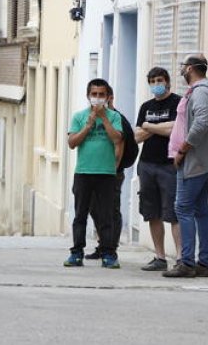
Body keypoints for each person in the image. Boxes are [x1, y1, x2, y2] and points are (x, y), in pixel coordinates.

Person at [163, 55, 208, 279]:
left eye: (183, 67)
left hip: (194, 161)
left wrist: (183, 149)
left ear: (190, 68)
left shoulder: (200, 92)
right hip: (195, 160)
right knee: (200, 209)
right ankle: (205, 263)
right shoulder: (199, 91)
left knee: (183, 208)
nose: (181, 70)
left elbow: (201, 123)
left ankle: (187, 262)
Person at [64, 79, 124, 270]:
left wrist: (104, 118)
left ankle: (108, 253)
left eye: (101, 95)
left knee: (106, 216)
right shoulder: (79, 117)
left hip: (106, 173)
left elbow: (117, 138)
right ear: (88, 96)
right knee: (80, 215)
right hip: (83, 172)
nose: (97, 98)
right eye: (94, 94)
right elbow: (72, 142)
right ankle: (76, 252)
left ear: (107, 97)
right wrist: (89, 125)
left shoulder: (114, 117)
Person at [134, 67, 182, 271]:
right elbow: (136, 136)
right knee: (152, 212)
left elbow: (175, 130)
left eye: (160, 80)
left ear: (168, 81)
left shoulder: (177, 102)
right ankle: (160, 257)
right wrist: (160, 128)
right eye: (152, 81)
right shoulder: (146, 106)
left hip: (169, 165)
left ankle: (181, 258)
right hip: (146, 164)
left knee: (173, 213)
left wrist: (149, 126)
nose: (156, 84)